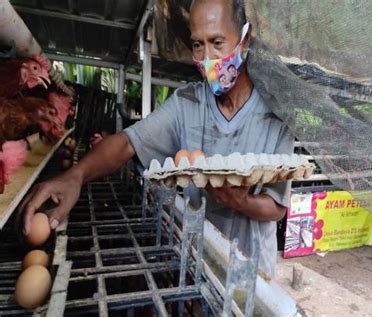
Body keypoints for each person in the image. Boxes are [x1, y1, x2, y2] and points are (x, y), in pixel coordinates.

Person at [20, 0, 293, 278]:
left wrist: (239, 201)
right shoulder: (187, 103)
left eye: (217, 42)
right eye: (198, 45)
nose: (207, 57)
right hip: (195, 262)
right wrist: (76, 176)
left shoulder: (275, 115)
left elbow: (277, 207)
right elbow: (128, 142)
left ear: (244, 40)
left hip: (250, 275)